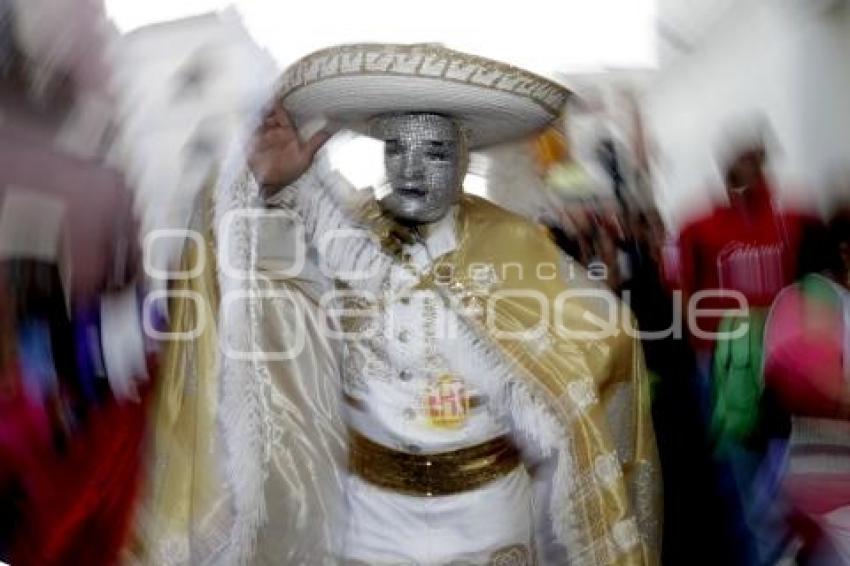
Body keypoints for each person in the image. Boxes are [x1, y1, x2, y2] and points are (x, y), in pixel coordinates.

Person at [134, 43, 660, 565]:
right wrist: (269, 185)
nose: (411, 168)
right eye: (397, 149)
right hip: (370, 521)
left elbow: (599, 340)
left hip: (488, 520)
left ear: (461, 159)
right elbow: (254, 278)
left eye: (433, 151)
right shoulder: (343, 229)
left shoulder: (514, 245)